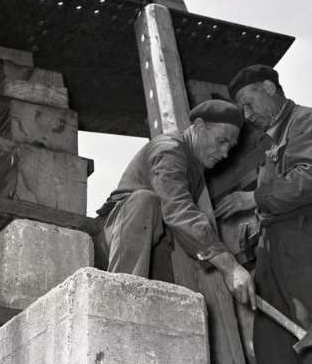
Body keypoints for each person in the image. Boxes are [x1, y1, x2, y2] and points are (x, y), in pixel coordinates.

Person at [215, 65, 312, 364]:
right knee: (272, 344)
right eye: (241, 108)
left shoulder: (307, 122)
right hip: (273, 245)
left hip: (307, 237)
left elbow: (311, 179)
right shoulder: (271, 142)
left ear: (269, 87)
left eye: (248, 103)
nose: (246, 114)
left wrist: (253, 199)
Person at [94, 99, 256, 309]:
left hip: (152, 244)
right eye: (221, 141)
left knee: (166, 308)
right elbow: (178, 210)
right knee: (146, 201)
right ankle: (120, 301)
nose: (225, 153)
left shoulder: (194, 165)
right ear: (199, 126)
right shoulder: (169, 150)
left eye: (230, 147)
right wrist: (230, 266)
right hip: (113, 238)